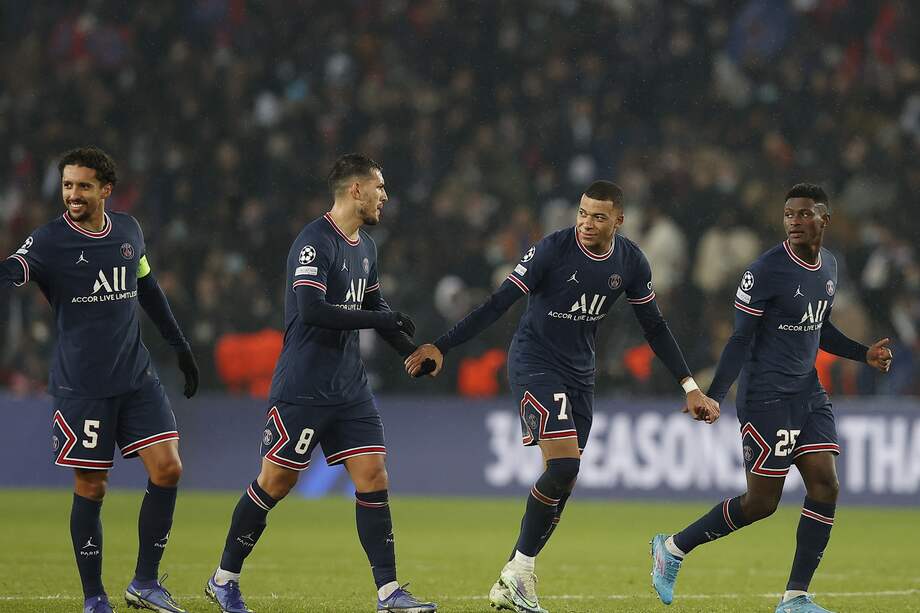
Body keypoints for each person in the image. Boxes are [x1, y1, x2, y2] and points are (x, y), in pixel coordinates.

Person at [405, 180, 719, 613]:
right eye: (583, 213)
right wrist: (442, 345)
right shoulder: (551, 250)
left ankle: (517, 576)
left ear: (619, 221)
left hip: (579, 373)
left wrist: (690, 385)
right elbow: (498, 304)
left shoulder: (630, 261)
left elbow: (654, 327)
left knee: (564, 479)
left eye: (599, 217)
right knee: (565, 464)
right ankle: (518, 574)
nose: (587, 223)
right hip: (535, 361)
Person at [205, 154, 437, 613]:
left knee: (372, 475)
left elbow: (376, 306)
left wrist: (409, 350)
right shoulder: (313, 243)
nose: (385, 196)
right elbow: (312, 310)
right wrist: (380, 317)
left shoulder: (366, 246)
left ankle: (389, 593)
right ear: (355, 190)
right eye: (379, 187)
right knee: (276, 481)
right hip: (304, 386)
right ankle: (223, 579)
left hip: (349, 387)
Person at [650, 183, 893, 613]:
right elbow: (739, 340)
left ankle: (795, 596)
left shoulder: (830, 266)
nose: (795, 222)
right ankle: (672, 548)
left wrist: (863, 354)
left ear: (825, 220)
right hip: (766, 397)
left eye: (804, 214)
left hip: (807, 393)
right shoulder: (765, 271)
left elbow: (820, 327)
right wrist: (714, 395)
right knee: (761, 503)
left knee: (825, 483)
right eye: (789, 215)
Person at [0, 147, 200, 613]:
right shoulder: (50, 240)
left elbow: (147, 288)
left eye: (83, 186)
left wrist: (180, 346)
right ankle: (94, 597)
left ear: (105, 190)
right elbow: (14, 271)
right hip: (82, 387)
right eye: (68, 185)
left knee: (169, 468)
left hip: (136, 377)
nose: (73, 194)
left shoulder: (128, 231)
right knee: (92, 487)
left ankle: (145, 583)